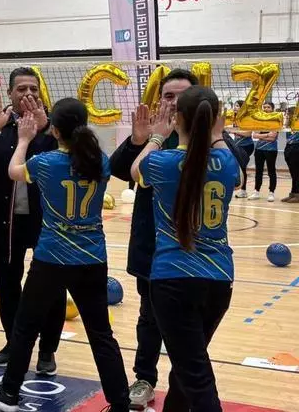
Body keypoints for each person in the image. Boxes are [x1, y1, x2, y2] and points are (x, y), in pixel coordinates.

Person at [109, 68, 246, 409]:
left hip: (173, 274)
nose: (171, 103)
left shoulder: (163, 160)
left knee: (194, 371)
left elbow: (137, 171)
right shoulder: (226, 161)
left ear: (184, 114)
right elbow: (239, 175)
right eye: (167, 95)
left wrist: (156, 137)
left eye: (179, 99)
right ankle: (148, 381)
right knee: (186, 357)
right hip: (212, 275)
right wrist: (212, 132)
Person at [0, 99, 129, 412]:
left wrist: (23, 139)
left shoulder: (45, 162)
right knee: (102, 335)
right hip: (92, 260)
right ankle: (120, 403)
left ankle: (9, 392)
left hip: (51, 259)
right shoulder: (99, 160)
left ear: (56, 130)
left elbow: (12, 170)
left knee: (25, 326)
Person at [0, 67, 64, 371]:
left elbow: (61, 159)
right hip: (5, 219)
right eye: (22, 88)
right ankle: (14, 343)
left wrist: (44, 129)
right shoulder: (3, 123)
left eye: (33, 89)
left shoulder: (53, 126)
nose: (28, 94)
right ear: (10, 93)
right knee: (8, 284)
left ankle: (47, 350)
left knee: (51, 286)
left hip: (45, 220)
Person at [250, 102, 278, 202]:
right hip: (259, 149)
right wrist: (267, 135)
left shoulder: (275, 120)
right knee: (258, 171)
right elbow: (254, 135)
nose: (266, 109)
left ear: (272, 109)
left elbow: (273, 137)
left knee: (271, 171)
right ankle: (256, 191)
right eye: (264, 107)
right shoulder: (259, 120)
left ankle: (271, 192)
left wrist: (261, 136)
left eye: (268, 107)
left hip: (271, 150)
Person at [231, 100, 254, 199]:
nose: (235, 107)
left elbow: (248, 133)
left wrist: (233, 131)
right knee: (238, 167)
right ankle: (240, 188)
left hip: (247, 145)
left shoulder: (247, 118)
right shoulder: (234, 119)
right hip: (237, 145)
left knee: (242, 167)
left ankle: (243, 191)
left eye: (237, 106)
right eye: (234, 105)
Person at [284, 118, 299, 203]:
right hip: (289, 146)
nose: (287, 116)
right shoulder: (289, 124)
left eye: (289, 114)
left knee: (297, 173)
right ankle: (293, 193)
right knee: (293, 173)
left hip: (297, 147)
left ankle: (297, 194)